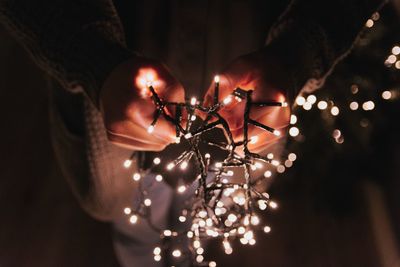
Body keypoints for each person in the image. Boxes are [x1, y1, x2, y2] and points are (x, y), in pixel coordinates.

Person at [0, 0, 387, 266]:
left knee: (218, 203)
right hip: (121, 75)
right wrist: (94, 59)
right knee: (125, 204)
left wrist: (295, 55)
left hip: (247, 61)